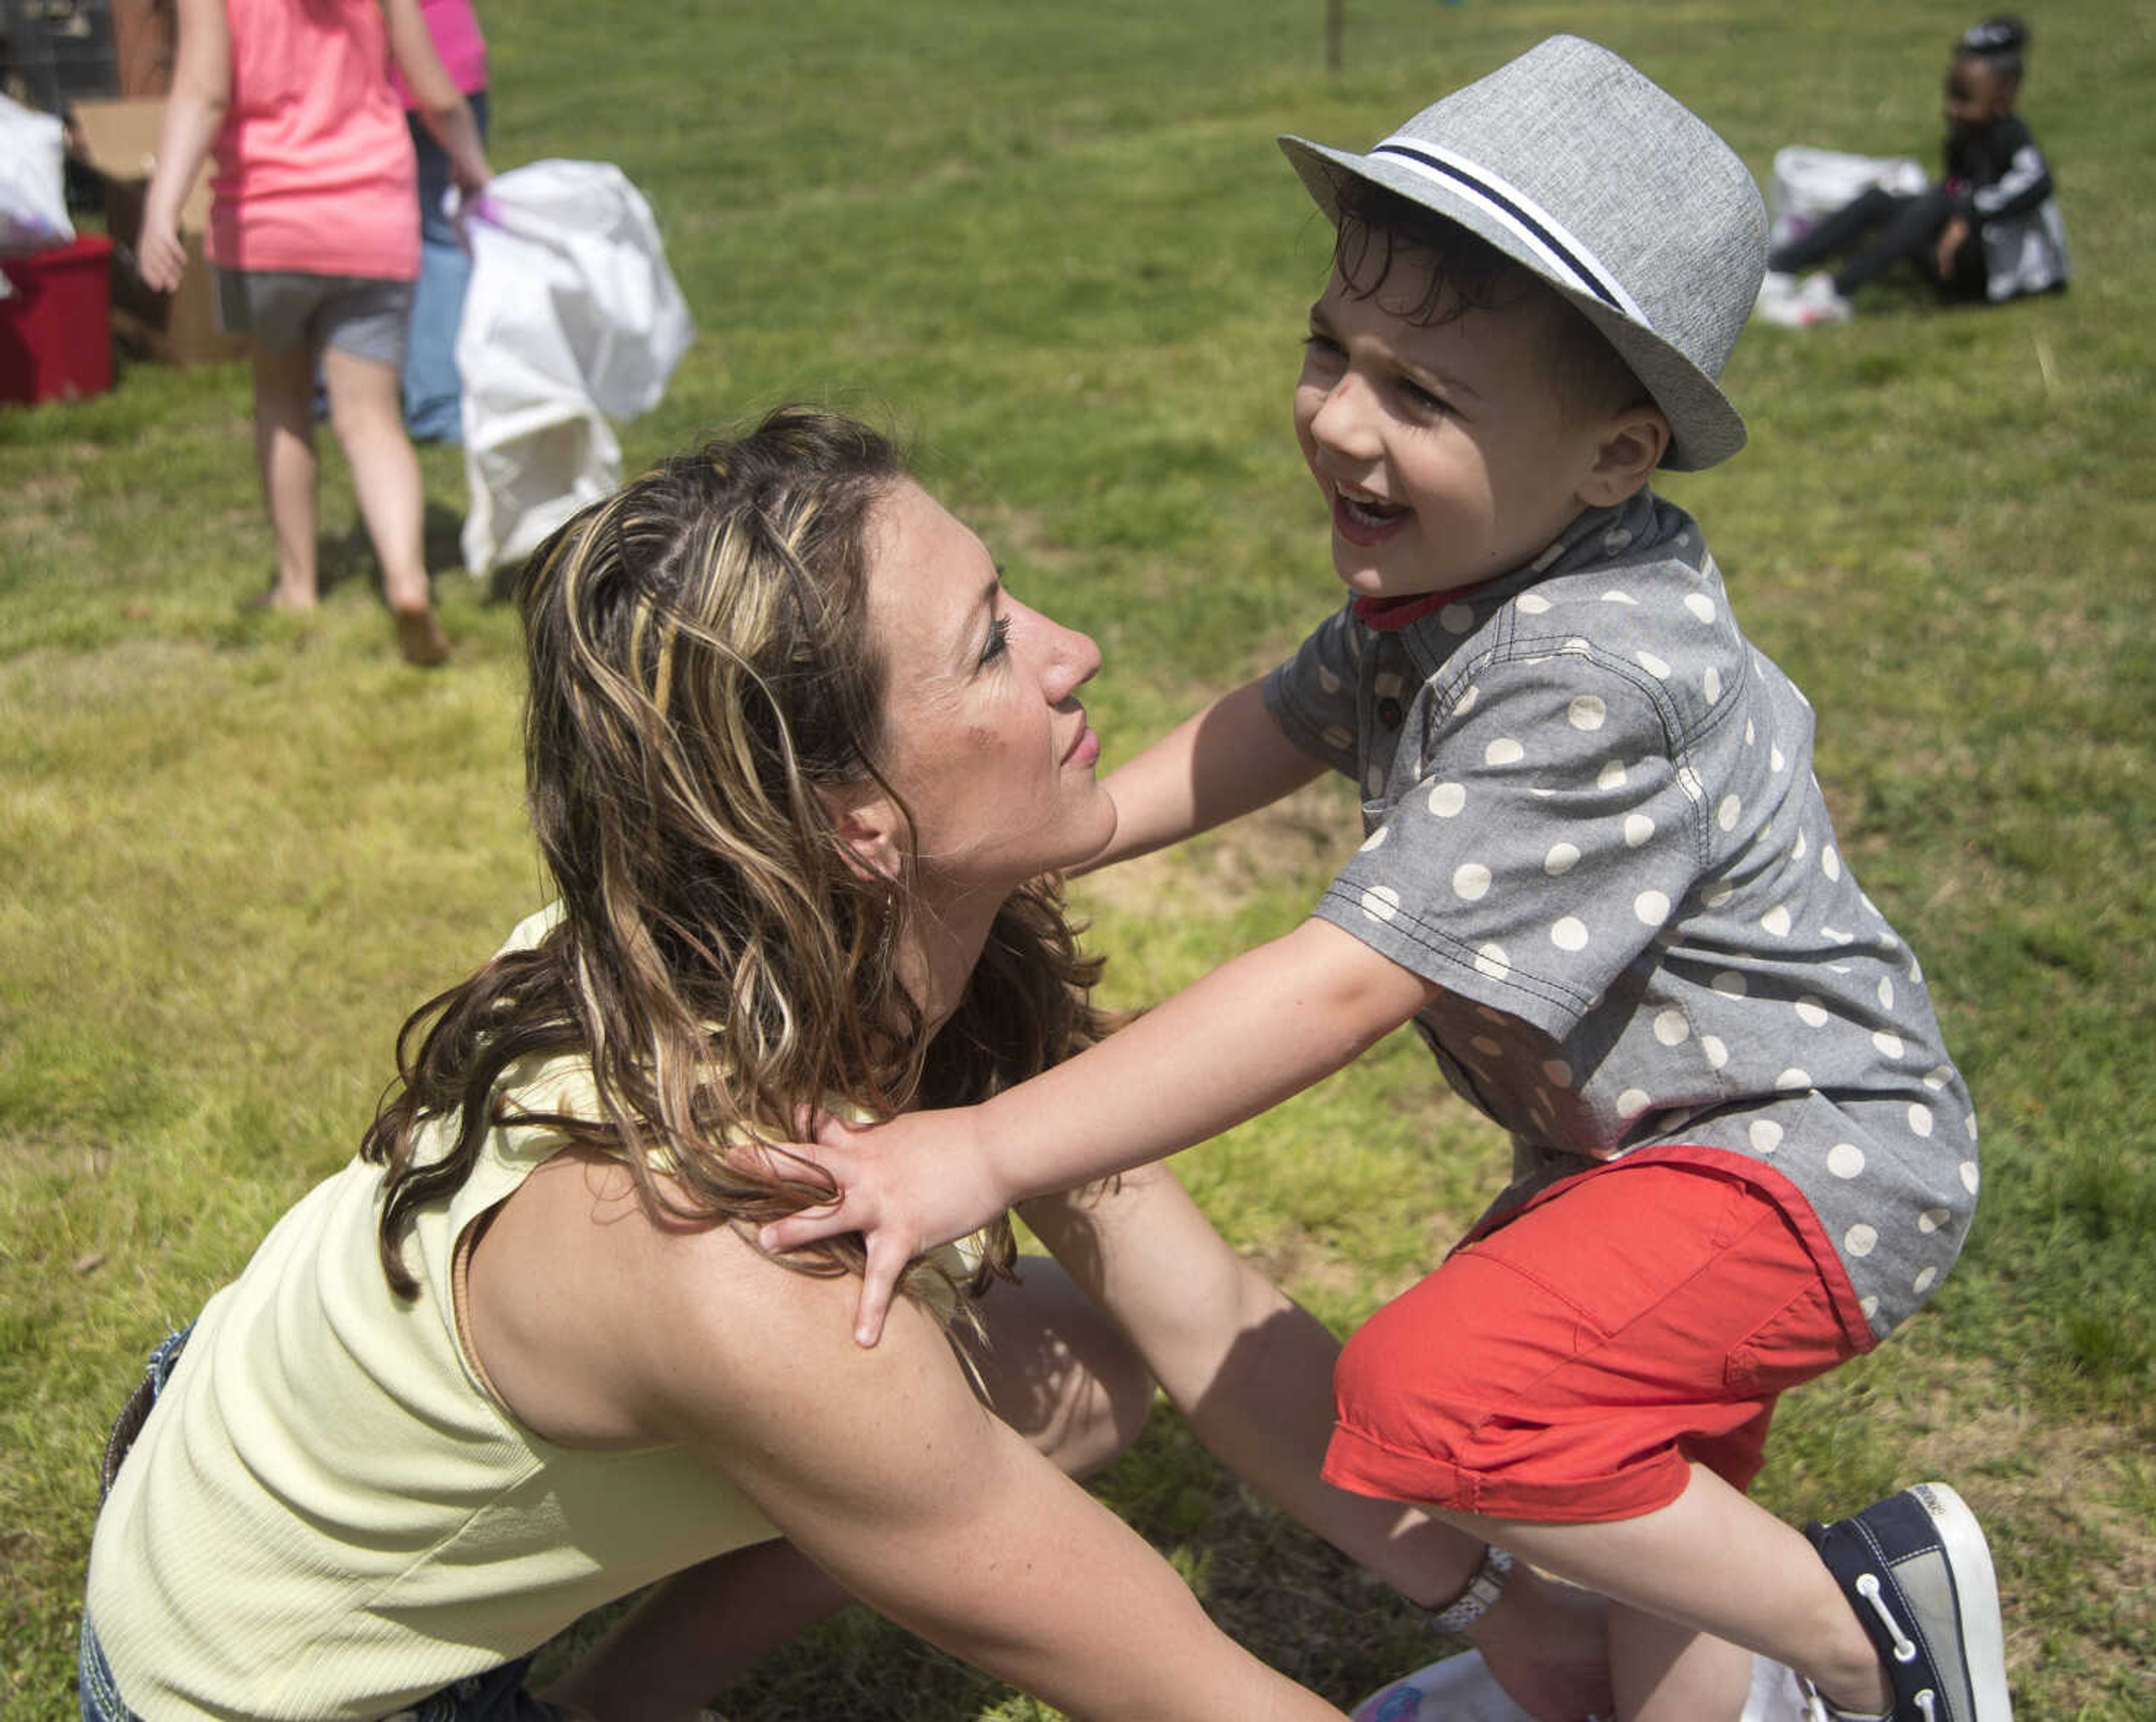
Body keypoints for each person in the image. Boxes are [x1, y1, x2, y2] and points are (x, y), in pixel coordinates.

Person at [761, 39, 2012, 1722]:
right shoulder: (1456, 586)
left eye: (1423, 395)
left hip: (1795, 1153)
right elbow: (1276, 725)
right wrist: (1057, 828)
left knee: (1447, 1396)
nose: (1343, 419)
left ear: (1615, 456)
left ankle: (1877, 1634)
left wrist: (981, 1146)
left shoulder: (1593, 672)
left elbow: (1350, 976)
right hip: (1653, 1151)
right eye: (1332, 352)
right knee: (1635, 1494)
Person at [78, 406, 1609, 1722]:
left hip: (224, 1456)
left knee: (1082, 1361)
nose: (1077, 655)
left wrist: (1500, 1598)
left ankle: (623, 1696)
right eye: (994, 647)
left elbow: (1193, 1306)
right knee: (902, 1414)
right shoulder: (731, 1264)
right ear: (853, 823)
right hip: (258, 1689)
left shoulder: (750, 937)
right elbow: (1185, 1687)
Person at [136, 0, 492, 666]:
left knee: (282, 401)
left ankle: (298, 586)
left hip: (265, 223)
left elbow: (204, 91)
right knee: (372, 419)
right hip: (373, 217)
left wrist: (163, 204)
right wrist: (472, 164)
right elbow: (435, 93)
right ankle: (408, 581)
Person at [1757, 17, 2067, 327]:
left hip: (1995, 277)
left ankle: (1834, 294)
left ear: (2003, 97)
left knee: (1938, 202)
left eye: (1963, 99)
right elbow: (1954, 187)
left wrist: (1968, 215)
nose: (1951, 108)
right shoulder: (1963, 139)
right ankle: (1780, 268)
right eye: (1951, 94)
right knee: (1881, 200)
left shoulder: (2010, 137)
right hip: (1958, 255)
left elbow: (2038, 182)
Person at [388, 0, 491, 442]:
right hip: (437, 64)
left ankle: (324, 388)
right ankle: (440, 405)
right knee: (441, 237)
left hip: (333, 80)